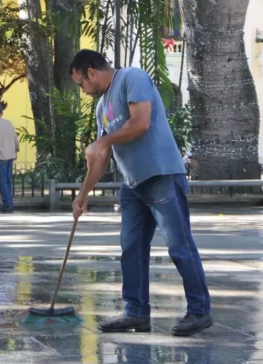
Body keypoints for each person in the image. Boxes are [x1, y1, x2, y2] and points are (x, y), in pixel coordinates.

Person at [68, 49, 212, 336]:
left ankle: (199, 311)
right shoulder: (101, 108)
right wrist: (82, 194)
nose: (82, 90)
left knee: (179, 246)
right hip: (133, 185)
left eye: (80, 83)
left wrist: (103, 141)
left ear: (91, 72)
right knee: (131, 248)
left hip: (161, 175)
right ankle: (135, 311)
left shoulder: (132, 78)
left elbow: (141, 122)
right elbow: (101, 155)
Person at [0, 105, 19, 213]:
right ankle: (9, 202)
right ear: (1, 113)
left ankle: (7, 204)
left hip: (2, 156)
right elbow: (15, 138)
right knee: (8, 180)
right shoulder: (9, 123)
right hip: (10, 155)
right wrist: (16, 150)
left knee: (2, 181)